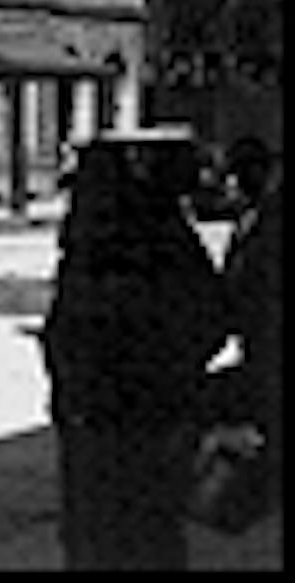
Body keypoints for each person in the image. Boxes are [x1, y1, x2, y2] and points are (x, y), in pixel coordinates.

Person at [37, 131, 228, 570]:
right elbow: (212, 316)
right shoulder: (163, 234)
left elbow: (63, 335)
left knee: (95, 537)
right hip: (151, 418)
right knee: (150, 535)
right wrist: (178, 371)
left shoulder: (86, 245)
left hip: (92, 422)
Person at [214, 136, 282, 512]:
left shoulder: (272, 217)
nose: (231, 185)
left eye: (236, 175)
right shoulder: (251, 216)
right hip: (254, 335)